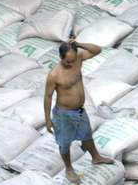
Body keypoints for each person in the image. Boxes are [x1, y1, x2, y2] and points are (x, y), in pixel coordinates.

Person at [44, 35, 114, 183]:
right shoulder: (54, 75)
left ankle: (96, 157)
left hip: (80, 110)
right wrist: (47, 120)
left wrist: (79, 44)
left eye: (73, 60)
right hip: (63, 114)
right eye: (67, 61)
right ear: (61, 57)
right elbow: (48, 97)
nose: (70, 63)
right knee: (65, 142)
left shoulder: (78, 59)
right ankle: (69, 168)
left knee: (87, 135)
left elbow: (97, 50)